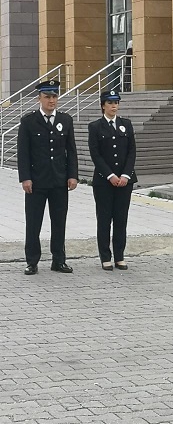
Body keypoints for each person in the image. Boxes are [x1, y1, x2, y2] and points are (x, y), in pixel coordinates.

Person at [17, 79, 79, 276]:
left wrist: (72, 175)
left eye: (54, 96)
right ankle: (32, 261)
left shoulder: (65, 120)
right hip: (36, 181)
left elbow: (71, 150)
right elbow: (23, 153)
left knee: (59, 221)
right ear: (39, 99)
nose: (52, 100)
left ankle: (58, 260)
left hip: (59, 180)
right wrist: (25, 178)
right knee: (34, 222)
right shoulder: (28, 121)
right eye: (47, 97)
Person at [88, 90, 137, 271]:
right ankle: (105, 257)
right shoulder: (95, 127)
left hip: (125, 181)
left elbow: (131, 152)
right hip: (104, 181)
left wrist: (125, 175)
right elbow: (96, 154)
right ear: (103, 105)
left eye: (116, 102)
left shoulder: (126, 124)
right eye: (110, 103)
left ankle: (120, 256)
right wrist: (110, 175)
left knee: (121, 219)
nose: (114, 106)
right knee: (104, 218)